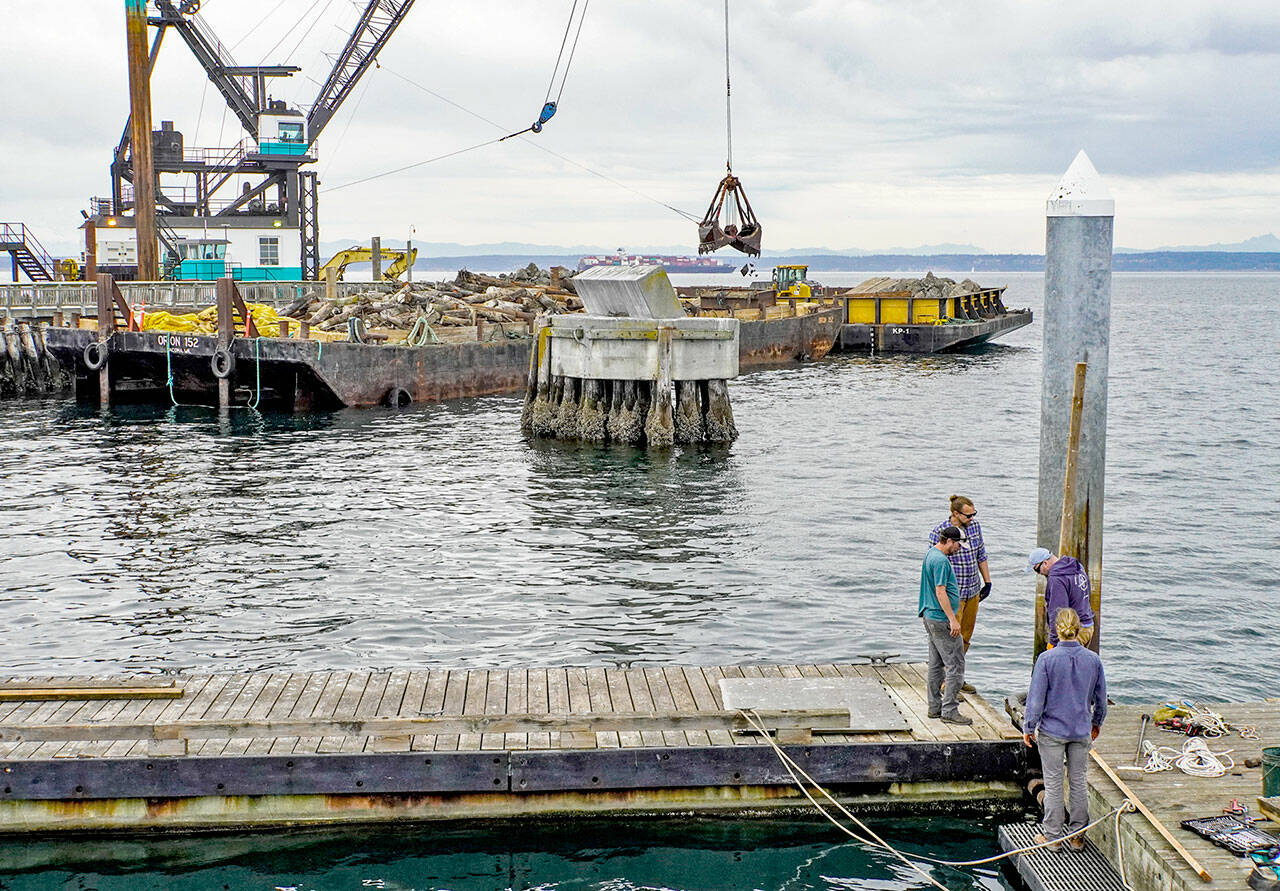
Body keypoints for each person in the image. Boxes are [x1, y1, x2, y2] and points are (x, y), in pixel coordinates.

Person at [1022, 607, 1107, 852]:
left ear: (1056, 630)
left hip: (1053, 731)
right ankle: (1078, 836)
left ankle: (1053, 836)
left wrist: (1029, 726)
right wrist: (1096, 722)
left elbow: (1035, 699)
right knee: (1079, 782)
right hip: (1080, 729)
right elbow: (1100, 699)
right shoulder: (1093, 660)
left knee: (1054, 782)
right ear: (1078, 629)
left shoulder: (1046, 660)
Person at [917, 526, 973, 725]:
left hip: (929, 616)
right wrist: (953, 619)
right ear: (949, 541)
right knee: (956, 664)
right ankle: (949, 710)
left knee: (936, 665)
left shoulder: (930, 554)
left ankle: (935, 708)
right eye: (958, 544)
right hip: (941, 619)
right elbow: (940, 591)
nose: (959, 548)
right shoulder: (941, 560)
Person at [929, 495, 991, 663]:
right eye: (968, 515)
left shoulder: (975, 527)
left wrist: (987, 582)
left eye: (974, 514)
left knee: (965, 636)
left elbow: (981, 555)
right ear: (955, 514)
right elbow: (934, 563)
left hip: (972, 590)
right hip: (953, 594)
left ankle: (956, 673)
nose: (972, 518)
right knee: (951, 638)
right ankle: (946, 676)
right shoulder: (939, 532)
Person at [1025, 547, 1095, 647]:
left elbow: (1058, 612)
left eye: (1037, 569)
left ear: (1045, 563)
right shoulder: (1076, 566)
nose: (1038, 573)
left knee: (1060, 661)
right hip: (1088, 626)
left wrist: (1053, 642)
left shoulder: (1057, 578)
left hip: (1073, 633)